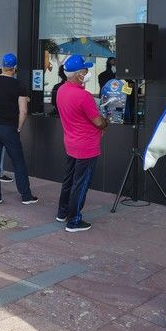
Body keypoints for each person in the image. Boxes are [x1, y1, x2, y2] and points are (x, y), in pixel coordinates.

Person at [55, 54, 108, 232]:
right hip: (86, 146)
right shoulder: (83, 96)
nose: (88, 72)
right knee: (81, 183)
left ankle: (62, 212)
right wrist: (105, 121)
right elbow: (98, 122)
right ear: (78, 74)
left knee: (69, 180)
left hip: (71, 142)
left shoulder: (61, 90)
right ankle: (74, 220)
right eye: (85, 70)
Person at [0, 53, 37, 206]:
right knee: (18, 162)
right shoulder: (19, 85)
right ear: (14, 68)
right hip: (9, 128)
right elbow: (23, 111)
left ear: (2, 66)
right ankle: (26, 196)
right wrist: (19, 128)